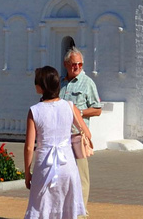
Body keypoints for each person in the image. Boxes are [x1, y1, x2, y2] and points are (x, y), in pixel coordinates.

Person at [24, 65, 89, 219]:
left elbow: (28, 147)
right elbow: (87, 132)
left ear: (40, 87)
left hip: (44, 165)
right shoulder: (69, 106)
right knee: (66, 211)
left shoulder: (35, 110)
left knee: (41, 209)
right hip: (67, 165)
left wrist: (27, 173)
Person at [59, 47, 99, 206]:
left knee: (81, 176)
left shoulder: (87, 83)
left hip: (78, 137)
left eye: (80, 64)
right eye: (74, 64)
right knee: (64, 175)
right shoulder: (61, 83)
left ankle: (81, 213)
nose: (77, 67)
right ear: (66, 64)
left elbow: (97, 109)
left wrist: (78, 112)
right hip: (61, 137)